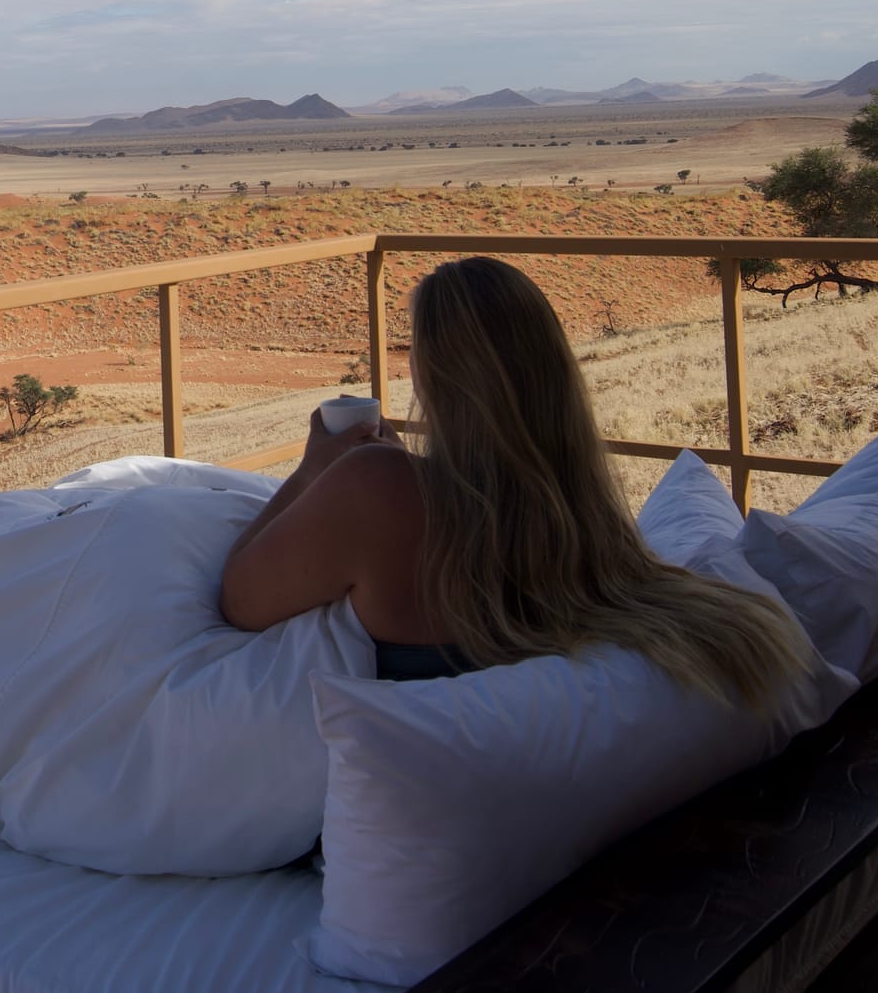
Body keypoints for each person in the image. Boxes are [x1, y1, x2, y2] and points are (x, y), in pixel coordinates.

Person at [220, 254, 808, 708]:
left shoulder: (375, 486)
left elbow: (239, 601)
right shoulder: (584, 535)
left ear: (433, 376)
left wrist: (314, 469)